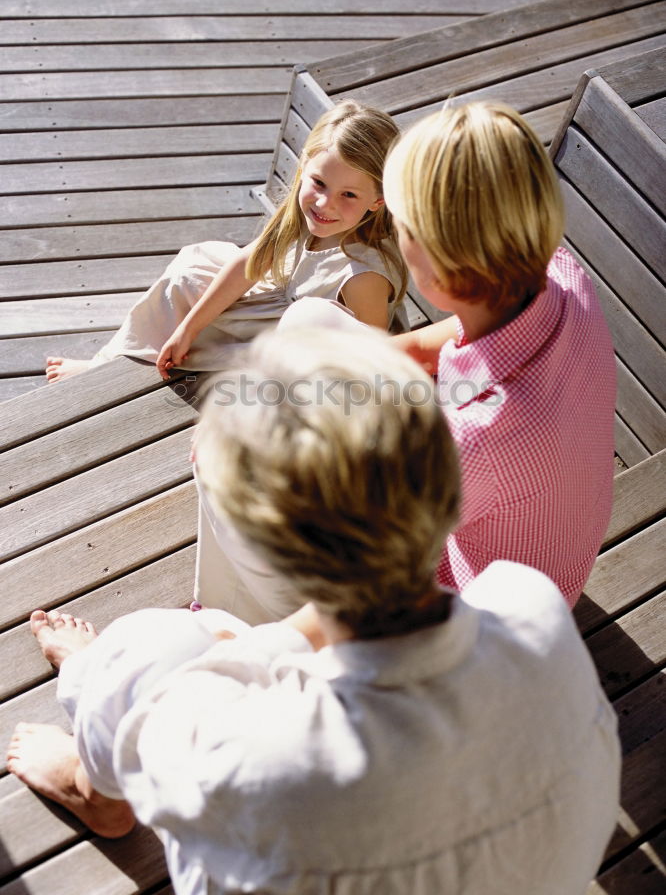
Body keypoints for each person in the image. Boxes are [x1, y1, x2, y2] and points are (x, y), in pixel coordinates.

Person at [8, 327, 620, 895]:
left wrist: (103, 671)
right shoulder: (530, 605)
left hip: (242, 759)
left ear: (268, 546)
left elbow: (182, 702)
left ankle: (92, 785)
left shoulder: (233, 752)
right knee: (204, 640)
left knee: (149, 651)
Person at [270, 101, 616, 608]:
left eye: (401, 225)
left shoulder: (476, 441)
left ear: (439, 272)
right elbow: (429, 344)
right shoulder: (555, 272)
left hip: (480, 612)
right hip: (537, 546)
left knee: (240, 499)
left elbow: (363, 537)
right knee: (308, 325)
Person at [45, 100, 407, 383]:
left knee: (215, 323)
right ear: (305, 168)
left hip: (297, 339)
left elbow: (369, 357)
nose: (325, 203)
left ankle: (133, 367)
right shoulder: (306, 214)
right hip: (281, 296)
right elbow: (249, 264)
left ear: (378, 200)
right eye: (319, 183)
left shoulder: (364, 275)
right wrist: (189, 329)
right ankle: (108, 364)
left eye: (348, 195)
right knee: (190, 270)